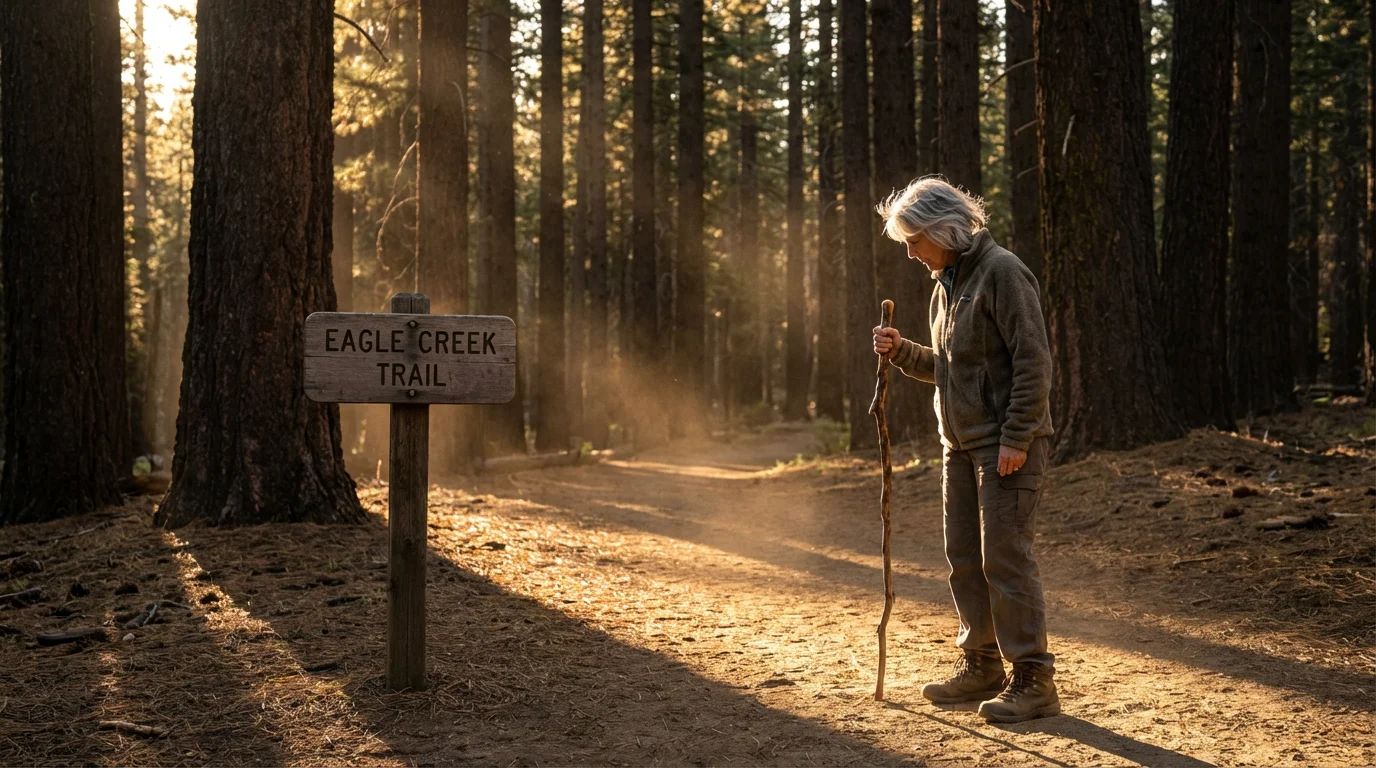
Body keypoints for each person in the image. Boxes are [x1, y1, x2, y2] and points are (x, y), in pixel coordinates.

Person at [871, 176, 1058, 723]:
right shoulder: (944, 283)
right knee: (963, 560)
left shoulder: (1003, 272)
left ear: (943, 229)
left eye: (914, 239)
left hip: (1006, 445)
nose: (909, 251)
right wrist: (904, 352)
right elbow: (951, 370)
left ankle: (1034, 679)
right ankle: (981, 665)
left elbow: (1034, 362)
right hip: (959, 445)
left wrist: (1018, 436)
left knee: (1006, 559)